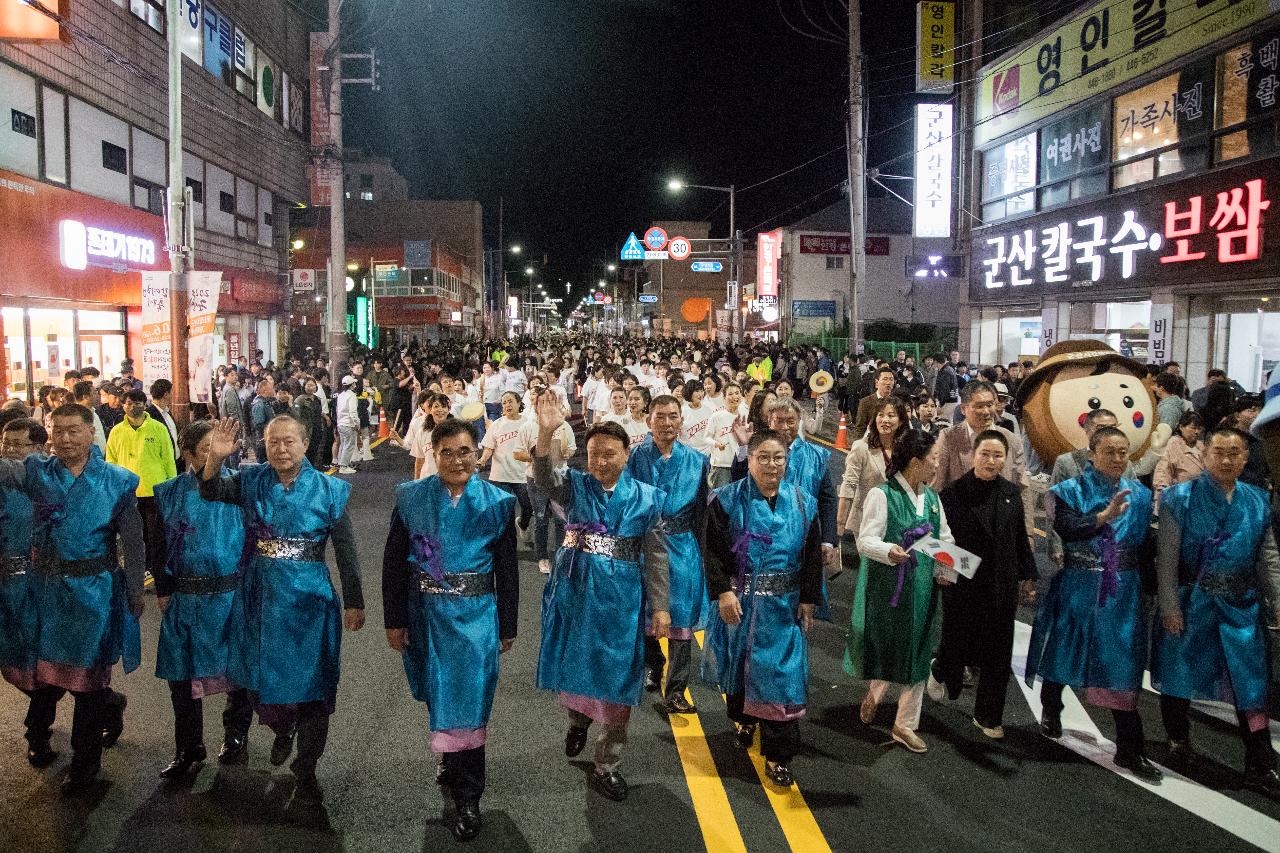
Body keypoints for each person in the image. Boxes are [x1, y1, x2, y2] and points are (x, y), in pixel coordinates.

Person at [199, 415, 365, 804]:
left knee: (313, 687)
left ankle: (306, 768)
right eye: (273, 442)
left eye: (289, 441)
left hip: (311, 604)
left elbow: (345, 549)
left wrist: (355, 601)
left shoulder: (330, 489)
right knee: (257, 680)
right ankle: (281, 726)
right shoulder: (251, 479)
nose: (281, 449)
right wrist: (214, 460)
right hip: (260, 598)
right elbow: (210, 491)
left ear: (305, 444)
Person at [382, 417, 520, 841]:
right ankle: (449, 754)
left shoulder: (497, 502)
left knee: (471, 699)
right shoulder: (411, 498)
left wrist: (507, 624)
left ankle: (468, 796)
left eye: (465, 452)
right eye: (447, 452)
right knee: (436, 689)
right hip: (425, 616)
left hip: (477, 618)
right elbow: (393, 562)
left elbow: (508, 569)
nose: (457, 460)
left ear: (478, 454)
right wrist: (395, 620)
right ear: (434, 455)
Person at [530, 395, 670, 802]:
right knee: (577, 663)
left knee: (618, 679)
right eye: (593, 454)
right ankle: (578, 720)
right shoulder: (575, 486)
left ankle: (607, 763)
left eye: (610, 454)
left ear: (627, 454)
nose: (601, 461)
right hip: (576, 590)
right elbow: (543, 478)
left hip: (623, 599)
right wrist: (546, 430)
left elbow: (657, 556)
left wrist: (660, 607)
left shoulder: (647, 497)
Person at [0, 404, 143, 794]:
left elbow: (132, 540)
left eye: (73, 431)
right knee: (45, 676)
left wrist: (134, 592)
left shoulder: (118, 481)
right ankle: (44, 734)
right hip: (48, 593)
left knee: (88, 684)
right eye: (57, 431)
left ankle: (84, 766)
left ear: (91, 434)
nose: (65, 439)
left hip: (96, 595)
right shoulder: (36, 473)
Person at [1024, 426, 1162, 783]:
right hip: (1078, 585)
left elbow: (1146, 548)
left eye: (1123, 452)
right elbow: (1067, 529)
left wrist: (1152, 592)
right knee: (1065, 651)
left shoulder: (1142, 496)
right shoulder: (1067, 491)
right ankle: (1051, 709)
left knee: (1121, 665)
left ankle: (1131, 747)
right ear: (1092, 453)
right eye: (1110, 451)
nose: (1118, 458)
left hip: (1123, 592)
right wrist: (1102, 518)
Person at [1151, 427, 1280, 794]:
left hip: (1242, 606)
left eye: (1234, 453)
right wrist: (1170, 607)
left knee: (1251, 683)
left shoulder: (1257, 499)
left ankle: (1258, 761)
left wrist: (1278, 601)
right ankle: (1178, 741)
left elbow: (1268, 557)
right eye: (1219, 452)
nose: (1226, 460)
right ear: (1205, 454)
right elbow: (1167, 560)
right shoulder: (1180, 497)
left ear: (1244, 458)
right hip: (1192, 601)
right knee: (1179, 673)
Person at [701, 428, 822, 786]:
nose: (772, 465)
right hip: (741, 606)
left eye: (779, 458)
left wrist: (808, 600)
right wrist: (723, 593)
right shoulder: (725, 500)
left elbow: (812, 556)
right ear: (749, 460)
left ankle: (779, 755)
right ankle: (743, 719)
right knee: (740, 671)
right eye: (763, 458)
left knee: (783, 680)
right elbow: (711, 551)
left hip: (784, 610)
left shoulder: (803, 502)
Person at [152, 421, 253, 779]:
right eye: (208, 448)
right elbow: (157, 544)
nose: (218, 453)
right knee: (180, 677)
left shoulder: (240, 486)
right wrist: (164, 588)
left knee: (237, 672)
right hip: (186, 595)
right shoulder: (166, 493)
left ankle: (236, 733)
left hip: (230, 593)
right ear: (188, 452)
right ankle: (188, 747)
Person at [846, 430, 954, 754]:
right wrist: (888, 551)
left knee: (918, 651)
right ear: (915, 462)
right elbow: (866, 539)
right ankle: (876, 693)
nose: (937, 465)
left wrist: (946, 571)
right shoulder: (883, 495)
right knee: (888, 644)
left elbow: (945, 540)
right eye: (932, 459)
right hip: (889, 585)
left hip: (922, 589)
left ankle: (904, 724)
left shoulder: (934, 500)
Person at [932, 430, 1038, 738]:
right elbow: (941, 540)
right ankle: (941, 668)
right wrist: (945, 577)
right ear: (974, 455)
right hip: (964, 583)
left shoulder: (1011, 493)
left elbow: (1019, 538)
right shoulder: (953, 493)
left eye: (997, 456)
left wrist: (1027, 575)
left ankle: (988, 716)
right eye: (985, 454)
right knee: (956, 644)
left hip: (1000, 584)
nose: (991, 461)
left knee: (997, 654)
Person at [627, 395, 710, 711]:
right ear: (649, 420)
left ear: (681, 419)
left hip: (682, 547)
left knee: (682, 618)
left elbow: (702, 513)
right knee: (644, 612)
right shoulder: (634, 458)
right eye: (660, 416)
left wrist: (704, 555)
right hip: (644, 546)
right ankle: (653, 662)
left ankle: (676, 689)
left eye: (673, 416)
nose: (667, 422)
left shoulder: (696, 461)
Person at [932, 380, 1034, 542]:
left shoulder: (1011, 440)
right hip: (961, 529)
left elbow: (1022, 487)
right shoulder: (949, 437)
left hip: (1002, 529)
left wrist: (1028, 532)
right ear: (964, 409)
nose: (986, 411)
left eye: (990, 404)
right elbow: (937, 485)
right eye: (979, 406)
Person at [106, 389, 178, 580]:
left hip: (155, 490)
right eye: (129, 403)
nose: (133, 406)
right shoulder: (116, 431)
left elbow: (168, 459)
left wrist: (171, 487)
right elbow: (111, 461)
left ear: (145, 405)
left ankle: (157, 569)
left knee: (156, 536)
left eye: (138, 402)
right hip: (129, 494)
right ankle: (139, 570)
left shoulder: (158, 428)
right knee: (134, 537)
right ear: (123, 406)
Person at [837, 397, 909, 543]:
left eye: (891, 415)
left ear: (901, 421)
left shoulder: (907, 450)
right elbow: (849, 483)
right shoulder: (861, 447)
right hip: (865, 520)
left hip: (896, 521)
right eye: (880, 415)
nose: (885, 420)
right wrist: (840, 521)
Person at [479, 391, 533, 531]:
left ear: (519, 403)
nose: (507, 405)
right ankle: (508, 543)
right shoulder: (497, 425)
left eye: (510, 401)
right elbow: (488, 448)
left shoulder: (528, 423)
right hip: (500, 475)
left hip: (522, 474)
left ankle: (522, 524)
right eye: (504, 402)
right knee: (505, 511)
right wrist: (483, 459)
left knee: (528, 507)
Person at [1153, 411, 1205, 510]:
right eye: (1193, 427)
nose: (1197, 431)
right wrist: (1161, 493)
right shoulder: (1173, 444)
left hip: (1199, 499)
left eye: (1199, 428)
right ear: (1181, 427)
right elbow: (1164, 469)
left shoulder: (1201, 446)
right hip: (1178, 498)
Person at [853, 367, 896, 439]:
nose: (889, 383)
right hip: (872, 443)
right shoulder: (865, 402)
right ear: (876, 383)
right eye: (885, 379)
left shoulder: (896, 402)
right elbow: (860, 428)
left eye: (891, 379)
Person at [334, 375, 360, 474]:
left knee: (343, 444)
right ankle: (344, 467)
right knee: (349, 445)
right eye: (354, 383)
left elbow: (337, 410)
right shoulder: (352, 396)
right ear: (351, 384)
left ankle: (342, 463)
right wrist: (357, 424)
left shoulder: (340, 395)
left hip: (340, 423)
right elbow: (352, 412)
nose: (355, 384)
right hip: (349, 424)